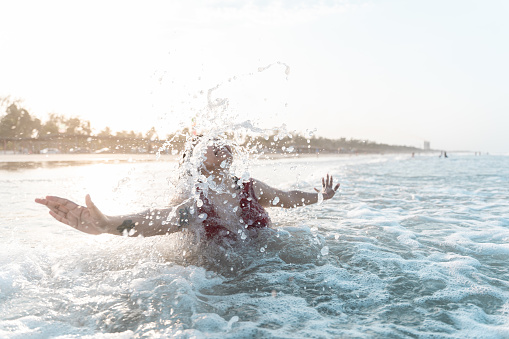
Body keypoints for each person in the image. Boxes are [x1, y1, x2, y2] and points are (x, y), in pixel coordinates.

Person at [35, 137, 340, 240]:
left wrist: (319, 196)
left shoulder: (250, 187)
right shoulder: (193, 199)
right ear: (195, 158)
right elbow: (160, 219)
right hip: (216, 287)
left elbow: (286, 198)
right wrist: (108, 224)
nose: (221, 145)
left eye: (224, 140)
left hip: (266, 272)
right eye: (211, 143)